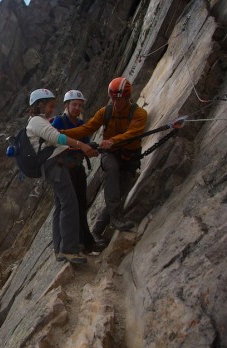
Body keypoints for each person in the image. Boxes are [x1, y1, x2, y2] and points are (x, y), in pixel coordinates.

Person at [62, 78, 147, 243]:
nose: (115, 103)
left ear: (127, 97)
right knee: (112, 169)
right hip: (111, 155)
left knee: (118, 193)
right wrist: (59, 134)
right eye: (112, 98)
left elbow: (133, 133)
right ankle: (116, 217)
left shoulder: (139, 114)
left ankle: (97, 231)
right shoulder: (105, 112)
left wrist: (113, 140)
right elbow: (86, 128)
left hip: (130, 157)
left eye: (118, 99)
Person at [26, 88, 98, 264]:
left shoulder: (39, 121)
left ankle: (60, 248)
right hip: (54, 166)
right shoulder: (36, 121)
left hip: (53, 166)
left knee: (61, 205)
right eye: (50, 106)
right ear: (40, 104)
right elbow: (58, 138)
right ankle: (69, 250)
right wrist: (81, 145)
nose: (52, 110)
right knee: (70, 203)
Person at [51, 90, 106, 254]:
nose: (77, 108)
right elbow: (53, 143)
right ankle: (61, 246)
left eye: (79, 105)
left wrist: (92, 150)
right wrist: (81, 148)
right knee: (64, 206)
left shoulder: (80, 124)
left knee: (80, 204)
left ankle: (86, 242)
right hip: (61, 169)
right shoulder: (58, 122)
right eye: (74, 104)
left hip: (76, 167)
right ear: (66, 105)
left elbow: (86, 144)